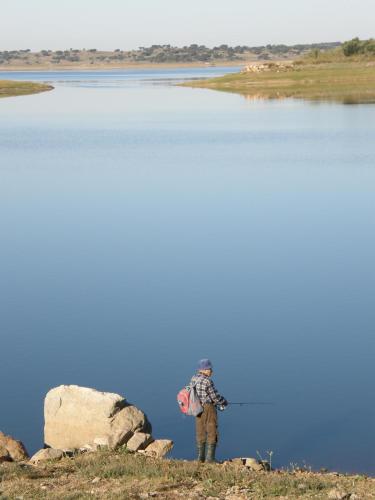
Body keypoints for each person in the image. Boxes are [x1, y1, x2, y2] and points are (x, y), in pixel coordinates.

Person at [190, 358, 228, 463]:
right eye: (210, 369)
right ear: (205, 369)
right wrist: (224, 401)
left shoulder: (193, 378)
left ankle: (199, 458)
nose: (211, 371)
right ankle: (210, 459)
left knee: (200, 431)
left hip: (196, 408)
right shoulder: (207, 381)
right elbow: (214, 397)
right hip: (208, 408)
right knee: (212, 431)